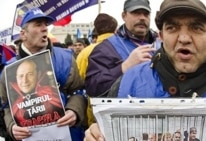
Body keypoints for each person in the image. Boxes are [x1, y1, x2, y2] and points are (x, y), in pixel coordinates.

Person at [84, 0, 206, 140]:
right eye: (172, 28)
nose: (184, 38)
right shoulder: (127, 83)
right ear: (161, 36)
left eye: (196, 28)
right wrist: (95, 134)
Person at [0, 8, 86, 141]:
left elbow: (78, 91)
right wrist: (12, 126)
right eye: (38, 24)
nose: (45, 28)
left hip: (67, 134)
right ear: (23, 35)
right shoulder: (9, 68)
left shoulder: (65, 58)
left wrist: (74, 111)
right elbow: (6, 106)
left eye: (46, 25)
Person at [85, 0, 158, 97]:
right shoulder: (106, 48)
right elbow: (93, 88)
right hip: (123, 111)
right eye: (136, 13)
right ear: (124, 16)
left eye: (146, 14)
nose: (142, 18)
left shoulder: (162, 45)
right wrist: (125, 67)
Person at [8, 60, 64, 127]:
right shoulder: (15, 106)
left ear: (38, 74)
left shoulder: (52, 93)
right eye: (21, 76)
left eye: (30, 74)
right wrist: (11, 127)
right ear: (16, 78)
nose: (25, 80)